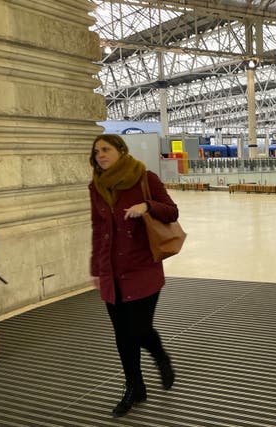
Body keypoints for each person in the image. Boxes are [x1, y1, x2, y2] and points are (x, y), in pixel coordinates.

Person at [89, 134, 177, 417]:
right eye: (96, 151)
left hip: (141, 268)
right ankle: (134, 388)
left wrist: (147, 206)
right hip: (111, 270)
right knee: (122, 336)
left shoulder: (144, 178)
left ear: (121, 151)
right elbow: (97, 228)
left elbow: (172, 211)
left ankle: (161, 357)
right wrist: (95, 268)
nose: (100, 155)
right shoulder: (96, 186)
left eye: (106, 149)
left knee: (138, 330)